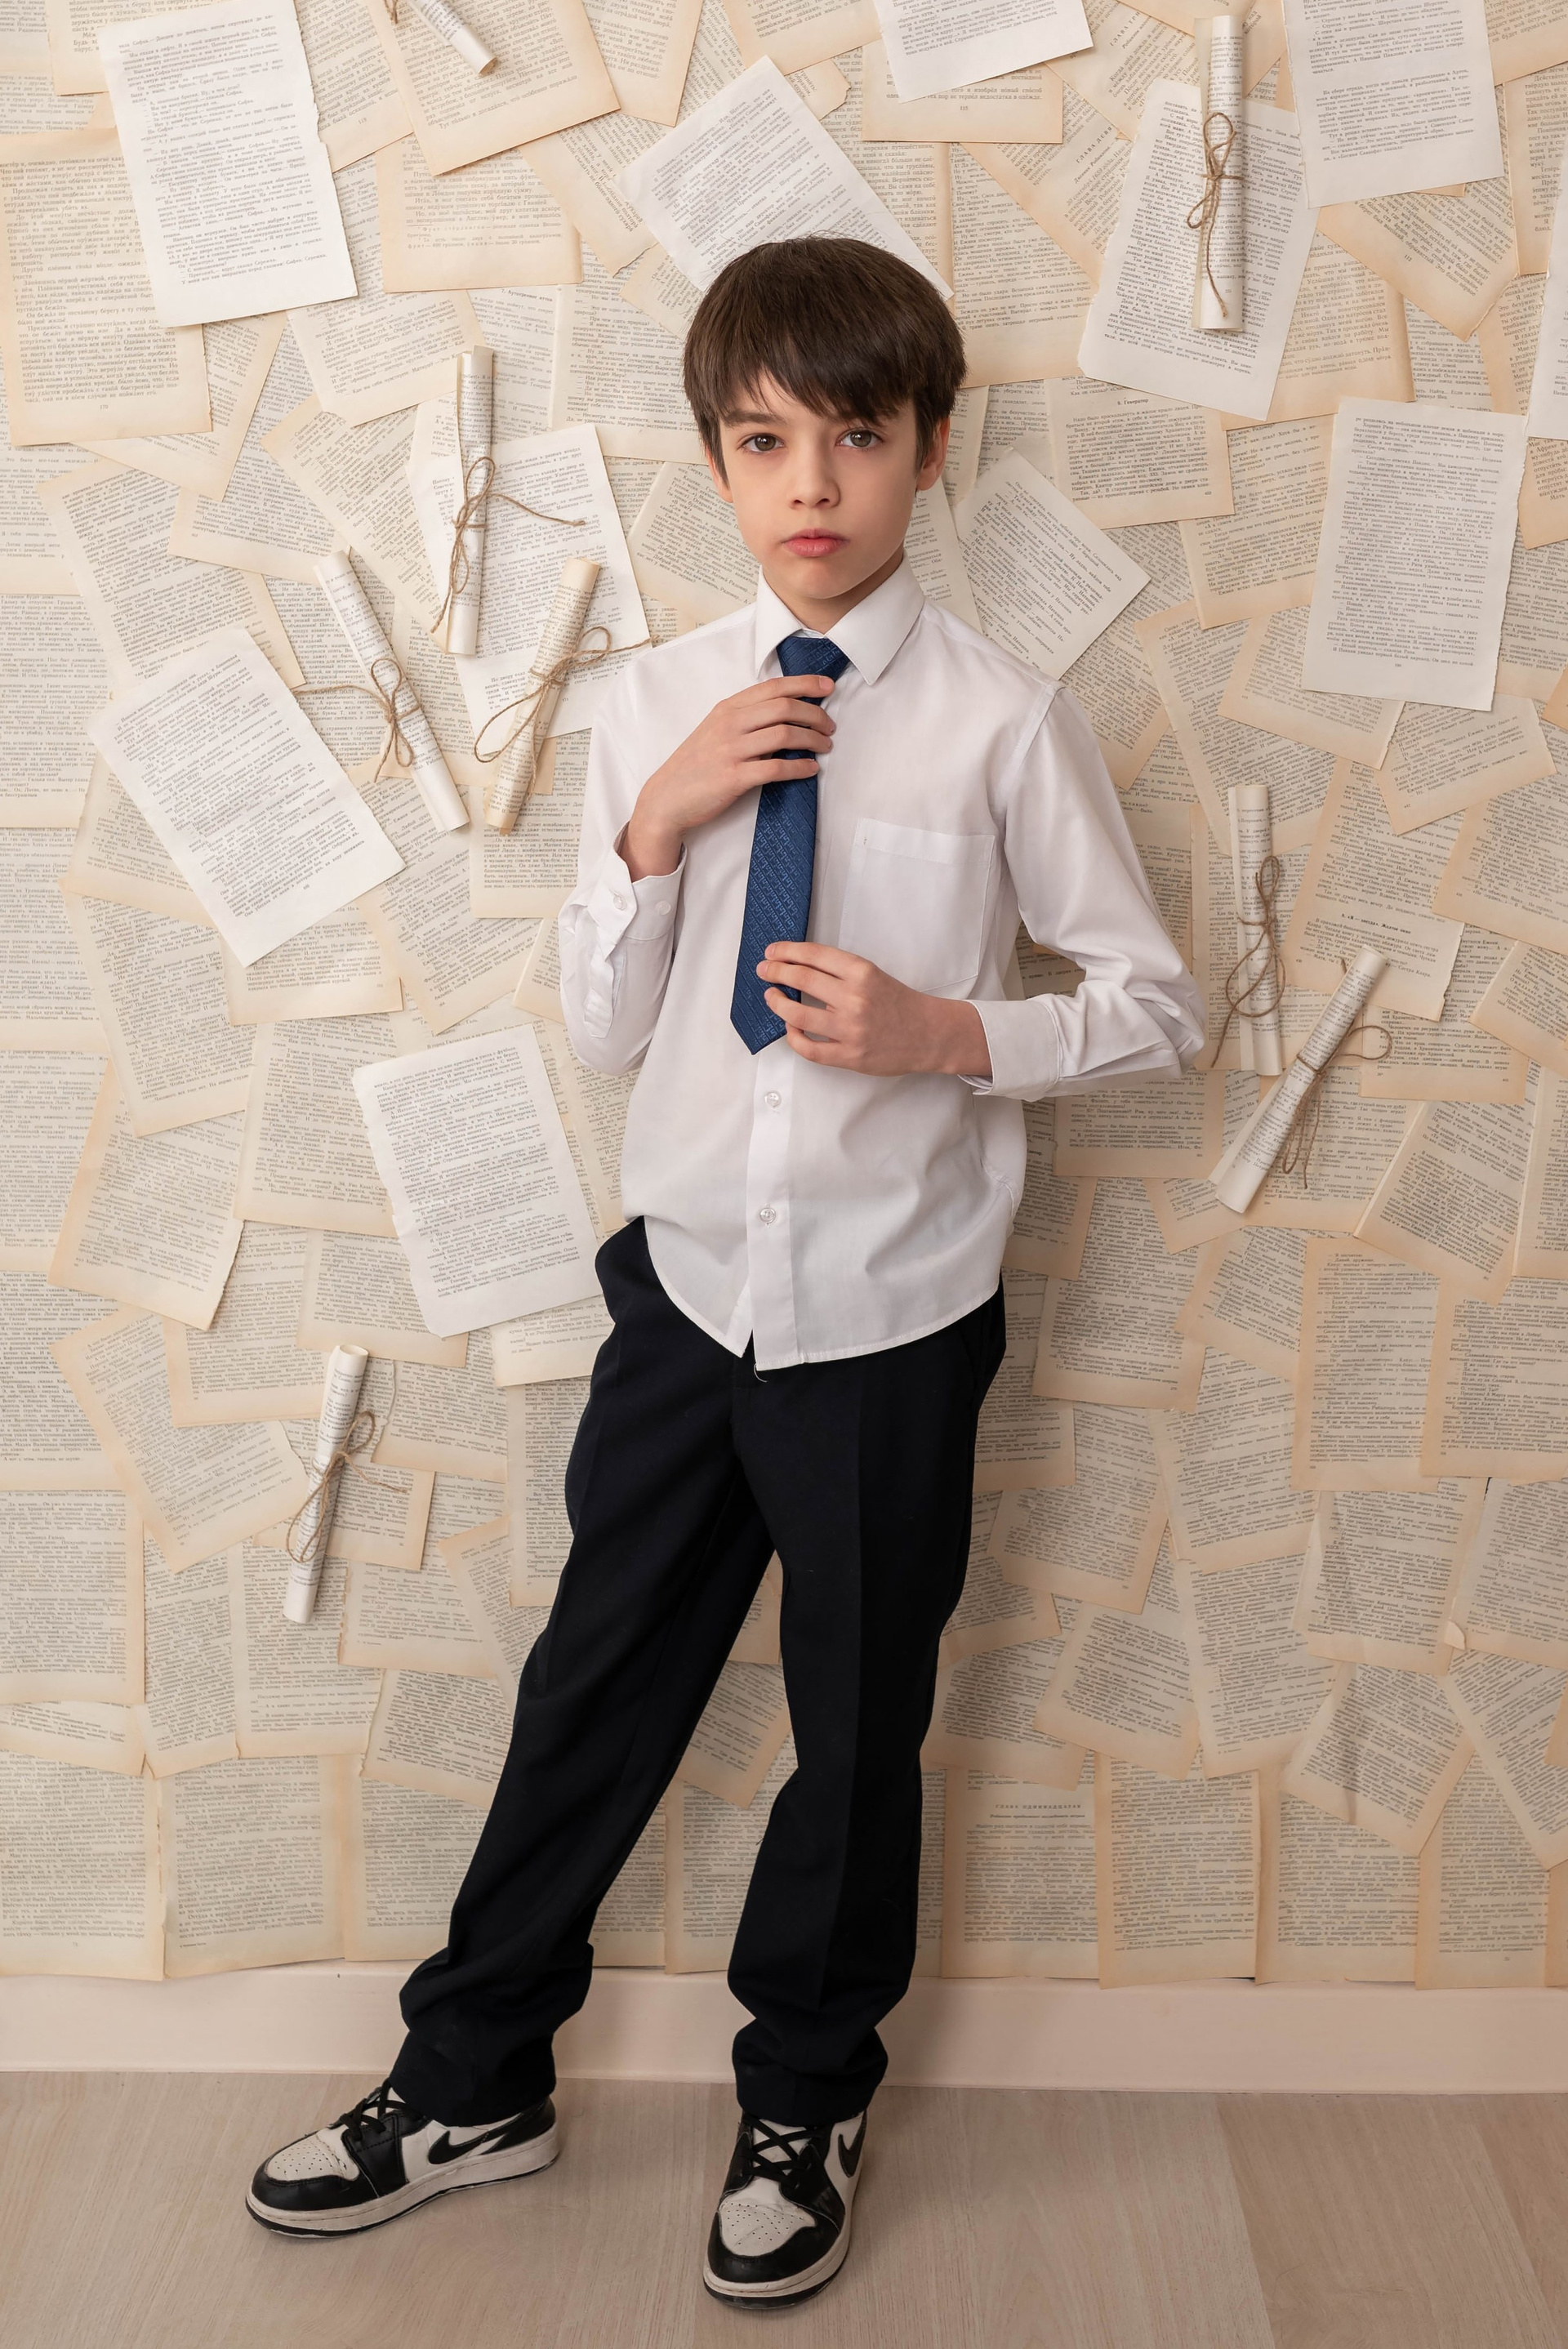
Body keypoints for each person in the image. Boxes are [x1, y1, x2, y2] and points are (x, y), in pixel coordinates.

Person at [247, 235, 1205, 2306]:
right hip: (685, 1296)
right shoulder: (646, 707)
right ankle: (471, 2075)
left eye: (857, 436)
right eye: (767, 441)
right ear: (715, 462)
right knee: (591, 1687)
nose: (813, 483)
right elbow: (609, 1032)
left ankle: (806, 2095)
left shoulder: (1003, 723)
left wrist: (954, 1032)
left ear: (930, 451)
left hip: (894, 1314)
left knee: (855, 1728)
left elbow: (1156, 1004)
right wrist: (654, 829)